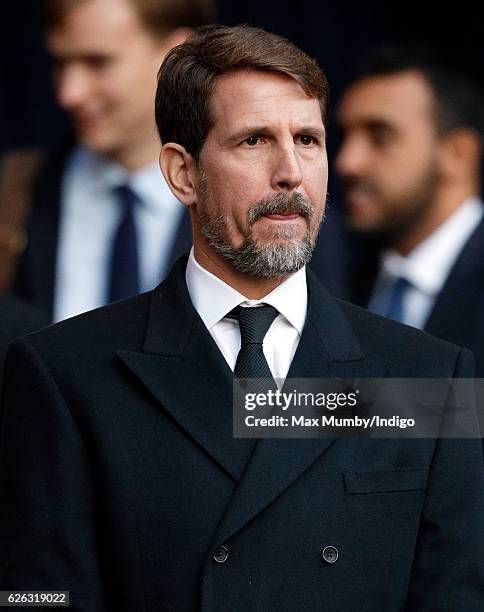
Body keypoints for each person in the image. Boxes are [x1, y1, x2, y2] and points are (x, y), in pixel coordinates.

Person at [1, 25, 483, 611]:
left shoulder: (433, 376)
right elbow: (36, 597)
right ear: (183, 174)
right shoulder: (65, 374)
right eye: (254, 141)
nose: (291, 173)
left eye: (308, 140)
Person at [12, 0, 214, 322]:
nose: (69, 93)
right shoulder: (12, 196)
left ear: (176, 57)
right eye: (60, 63)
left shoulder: (258, 213)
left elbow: (296, 371)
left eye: (97, 62)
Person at [335, 45, 484, 374]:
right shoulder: (339, 282)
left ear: (458, 154)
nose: (347, 162)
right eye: (346, 135)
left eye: (380, 136)